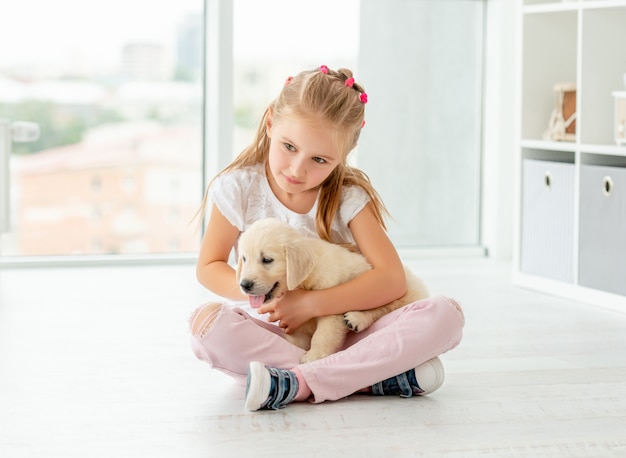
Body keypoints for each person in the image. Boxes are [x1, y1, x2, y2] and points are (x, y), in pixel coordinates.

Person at [189, 65, 465, 411]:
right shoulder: (240, 188)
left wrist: (310, 303)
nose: (297, 169)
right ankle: (368, 377)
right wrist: (278, 301)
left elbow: (392, 279)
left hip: (353, 334)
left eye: (319, 159)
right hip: (280, 332)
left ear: (342, 156)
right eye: (289, 147)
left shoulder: (348, 198)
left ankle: (296, 382)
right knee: (207, 325)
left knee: (444, 315)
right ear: (271, 123)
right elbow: (209, 266)